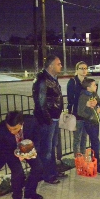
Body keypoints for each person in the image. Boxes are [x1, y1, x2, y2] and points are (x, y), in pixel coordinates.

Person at [0, 111, 43, 199]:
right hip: (10, 151)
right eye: (9, 129)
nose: (12, 131)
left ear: (22, 124)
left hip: (27, 148)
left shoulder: (31, 121)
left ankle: (30, 191)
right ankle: (17, 198)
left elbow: (37, 137)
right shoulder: (0, 130)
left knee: (38, 167)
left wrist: (33, 150)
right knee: (18, 173)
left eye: (15, 129)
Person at [32, 55, 65, 184]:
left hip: (54, 118)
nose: (61, 66)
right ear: (51, 66)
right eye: (59, 64)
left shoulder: (52, 78)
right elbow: (40, 103)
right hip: (47, 120)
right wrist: (48, 119)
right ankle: (47, 175)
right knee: (47, 149)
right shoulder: (42, 80)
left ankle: (52, 172)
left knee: (52, 147)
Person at [77, 78, 100, 173]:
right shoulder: (83, 97)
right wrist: (90, 116)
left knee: (95, 142)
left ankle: (96, 162)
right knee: (95, 142)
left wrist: (97, 105)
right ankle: (96, 163)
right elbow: (80, 112)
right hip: (89, 123)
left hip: (95, 121)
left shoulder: (93, 94)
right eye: (94, 85)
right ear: (88, 88)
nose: (96, 86)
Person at [67, 61, 89, 155]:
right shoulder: (73, 82)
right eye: (81, 68)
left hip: (86, 114)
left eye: (85, 68)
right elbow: (70, 99)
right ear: (77, 70)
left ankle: (83, 158)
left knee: (84, 138)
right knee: (77, 139)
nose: (84, 70)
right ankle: (78, 159)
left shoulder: (88, 81)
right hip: (77, 114)